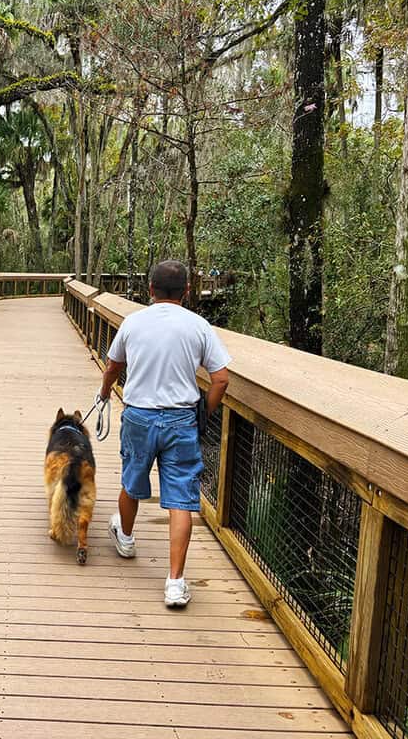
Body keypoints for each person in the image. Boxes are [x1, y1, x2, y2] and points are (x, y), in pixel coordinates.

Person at [98, 260, 230, 607]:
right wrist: (205, 412)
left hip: (139, 417)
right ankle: (174, 583)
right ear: (186, 292)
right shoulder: (199, 326)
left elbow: (113, 365)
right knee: (180, 498)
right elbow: (221, 379)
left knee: (132, 480)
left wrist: (103, 392)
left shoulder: (134, 322)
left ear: (151, 291)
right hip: (181, 420)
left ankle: (125, 537)